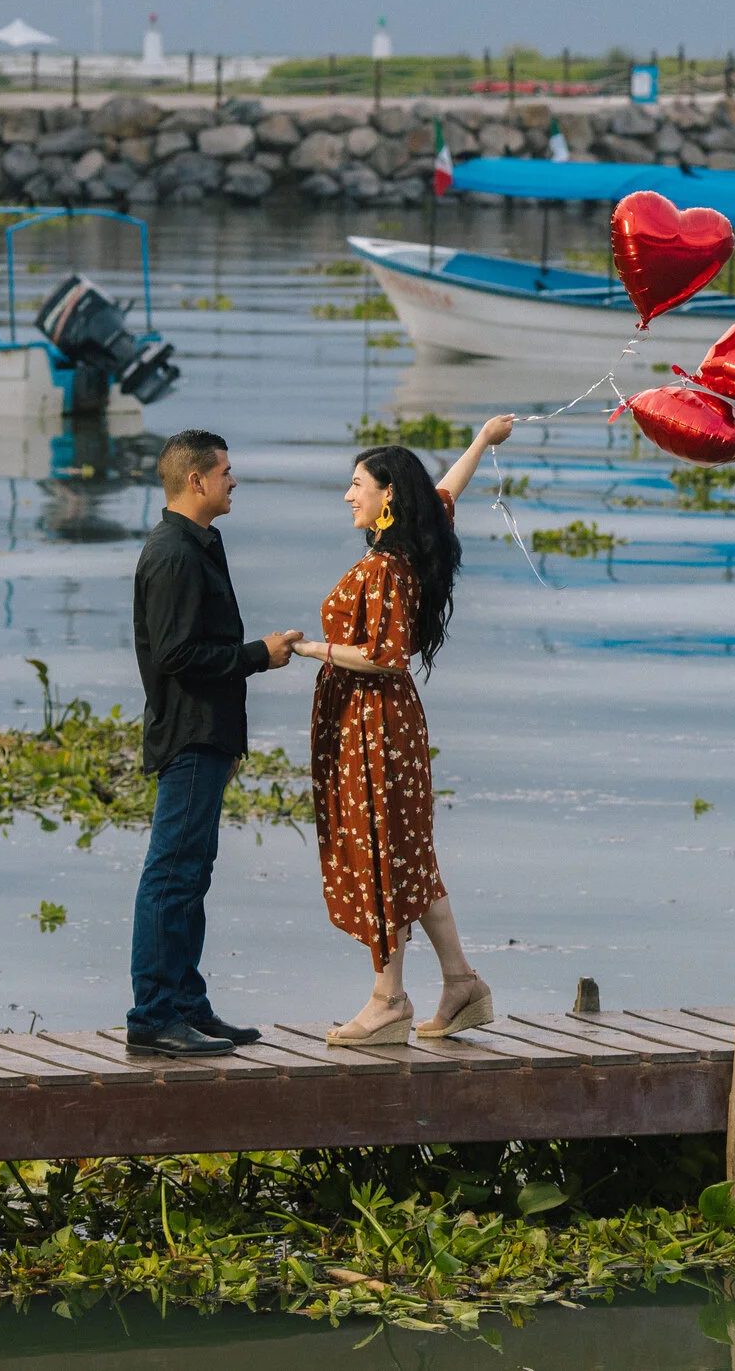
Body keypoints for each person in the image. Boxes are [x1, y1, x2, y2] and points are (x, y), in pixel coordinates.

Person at [294, 415, 514, 1045]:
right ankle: (462, 983)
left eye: (356, 483)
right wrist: (480, 440)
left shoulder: (389, 567)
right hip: (390, 724)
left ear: (387, 494)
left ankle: (387, 999)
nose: (348, 494)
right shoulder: (417, 536)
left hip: (376, 724)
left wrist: (315, 649)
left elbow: (387, 658)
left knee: (382, 856)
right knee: (408, 853)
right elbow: (445, 492)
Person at [128, 430, 303, 1058]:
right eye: (226, 472)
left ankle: (185, 1002)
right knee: (171, 874)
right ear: (196, 481)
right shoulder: (174, 552)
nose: (234, 480)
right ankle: (152, 1013)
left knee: (192, 873)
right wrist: (260, 655)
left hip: (210, 734)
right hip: (188, 732)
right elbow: (177, 655)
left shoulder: (200, 543)